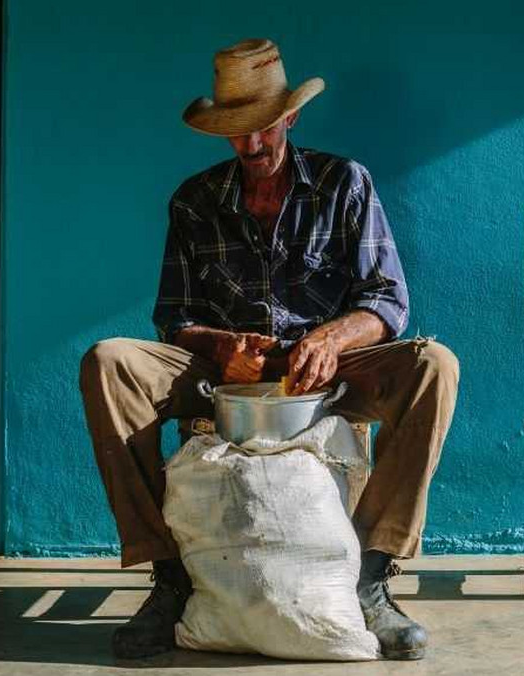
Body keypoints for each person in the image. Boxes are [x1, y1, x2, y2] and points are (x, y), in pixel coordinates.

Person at [77, 38, 459, 661]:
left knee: (433, 367)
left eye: (261, 129)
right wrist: (220, 344)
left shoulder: (345, 182)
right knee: (108, 362)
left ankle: (370, 578)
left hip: (329, 369)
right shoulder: (194, 200)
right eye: (234, 133)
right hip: (223, 371)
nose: (250, 146)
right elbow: (174, 318)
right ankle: (168, 578)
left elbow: (388, 301)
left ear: (291, 117)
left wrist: (332, 337)